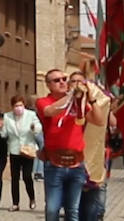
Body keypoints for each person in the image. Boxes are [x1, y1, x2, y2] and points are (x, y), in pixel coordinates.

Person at [37, 67, 107, 221]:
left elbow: (100, 121)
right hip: (55, 164)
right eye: (57, 80)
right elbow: (50, 111)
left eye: (64, 79)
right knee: (52, 209)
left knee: (73, 211)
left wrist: (92, 99)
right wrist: (70, 96)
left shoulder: (78, 103)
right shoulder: (44, 101)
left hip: (76, 165)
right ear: (48, 85)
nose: (62, 82)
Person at [71, 70, 111, 221]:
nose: (77, 85)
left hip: (93, 157)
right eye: (73, 81)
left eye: (80, 82)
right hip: (70, 160)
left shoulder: (96, 104)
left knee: (92, 206)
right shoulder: (66, 104)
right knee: (71, 208)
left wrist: (93, 101)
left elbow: (105, 121)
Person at [1, 94, 41, 211]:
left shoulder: (31, 115)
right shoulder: (7, 117)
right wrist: (1, 127)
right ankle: (15, 203)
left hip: (28, 149)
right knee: (15, 177)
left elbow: (38, 128)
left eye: (21, 105)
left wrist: (34, 128)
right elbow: (4, 134)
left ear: (24, 105)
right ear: (12, 106)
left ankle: (32, 198)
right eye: (16, 105)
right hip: (14, 150)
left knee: (27, 176)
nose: (18, 108)